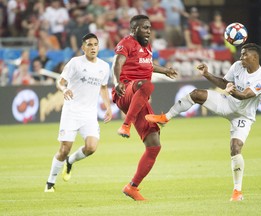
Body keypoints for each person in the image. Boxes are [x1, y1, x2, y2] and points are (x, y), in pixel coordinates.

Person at [145, 43, 261, 201]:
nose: (241, 57)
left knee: (235, 148)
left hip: (243, 116)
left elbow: (244, 95)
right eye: (241, 54)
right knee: (197, 94)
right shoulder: (238, 66)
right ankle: (165, 118)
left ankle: (237, 192)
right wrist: (207, 74)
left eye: (244, 54)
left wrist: (232, 91)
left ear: (255, 57)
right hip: (227, 103)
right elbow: (224, 83)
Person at [111, 15, 177, 201]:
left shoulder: (147, 46)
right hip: (125, 91)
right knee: (147, 86)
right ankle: (125, 125)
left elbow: (147, 65)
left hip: (139, 97)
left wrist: (165, 70)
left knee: (154, 144)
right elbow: (117, 63)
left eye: (149, 28)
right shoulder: (126, 43)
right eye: (144, 28)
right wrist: (117, 82)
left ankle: (132, 187)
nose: (148, 31)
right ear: (134, 30)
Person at [44, 33, 112, 192]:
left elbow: (103, 87)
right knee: (64, 149)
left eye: (95, 44)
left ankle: (70, 162)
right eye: (89, 44)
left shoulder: (104, 66)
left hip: (89, 114)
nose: (93, 47)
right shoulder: (75, 63)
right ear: (83, 47)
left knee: (91, 147)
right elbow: (60, 81)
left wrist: (108, 106)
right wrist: (65, 89)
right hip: (71, 112)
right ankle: (50, 183)